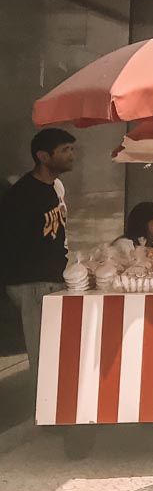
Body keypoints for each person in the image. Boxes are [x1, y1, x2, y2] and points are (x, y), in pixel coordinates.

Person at [0, 128, 75, 386]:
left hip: (52, 279)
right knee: (43, 354)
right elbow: (12, 243)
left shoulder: (54, 187)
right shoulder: (23, 194)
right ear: (43, 156)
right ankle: (44, 417)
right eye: (65, 150)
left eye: (71, 149)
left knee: (56, 352)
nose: (71, 155)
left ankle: (55, 410)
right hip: (32, 283)